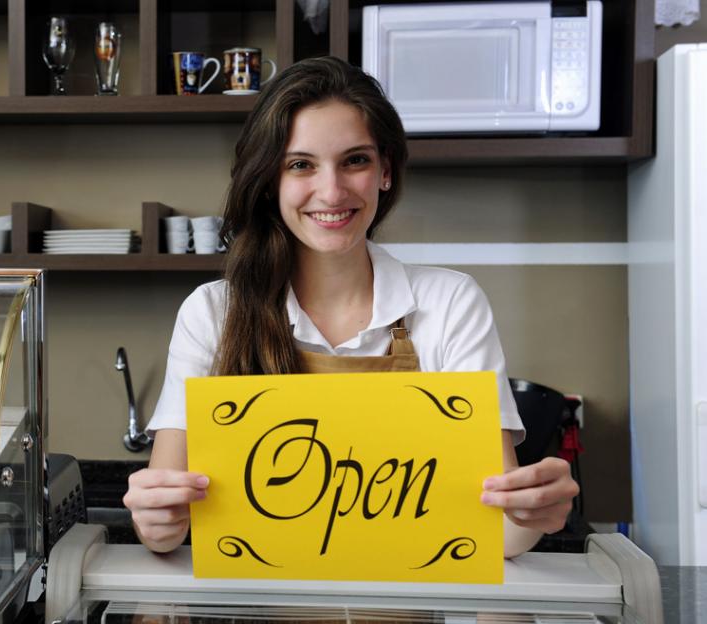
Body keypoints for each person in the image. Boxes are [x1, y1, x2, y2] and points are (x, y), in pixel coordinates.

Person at [122, 56, 579, 559]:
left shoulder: (450, 304)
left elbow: (498, 533)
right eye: (301, 164)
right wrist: (156, 517)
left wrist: (533, 514)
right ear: (269, 180)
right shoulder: (212, 313)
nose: (332, 191)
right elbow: (164, 532)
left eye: (355, 160)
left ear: (385, 170)